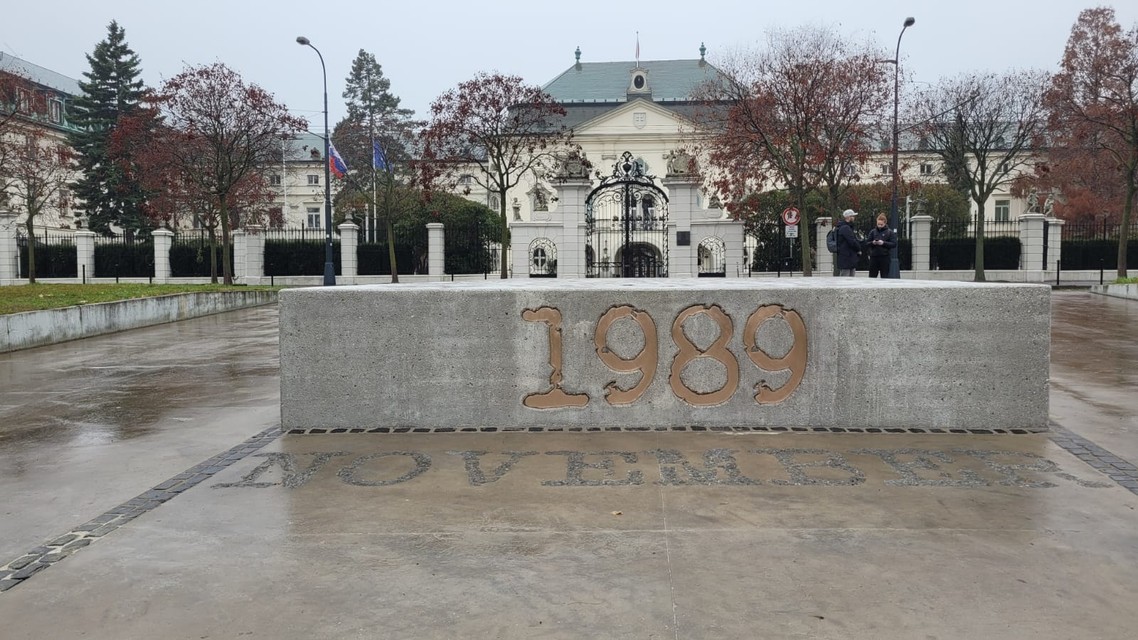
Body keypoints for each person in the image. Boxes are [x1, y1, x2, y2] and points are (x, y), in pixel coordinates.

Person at [865, 213, 897, 278]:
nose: (879, 226)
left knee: (884, 276)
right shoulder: (873, 232)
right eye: (878, 224)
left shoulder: (889, 232)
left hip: (885, 257)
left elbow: (894, 244)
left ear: (885, 223)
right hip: (874, 256)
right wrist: (873, 243)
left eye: (881, 224)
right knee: (872, 276)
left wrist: (883, 243)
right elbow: (867, 243)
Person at [836, 209, 862, 277]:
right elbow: (852, 241)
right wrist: (858, 249)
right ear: (848, 217)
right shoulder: (845, 228)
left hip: (848, 257)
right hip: (847, 257)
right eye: (853, 216)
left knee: (849, 277)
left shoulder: (845, 227)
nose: (854, 218)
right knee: (846, 278)